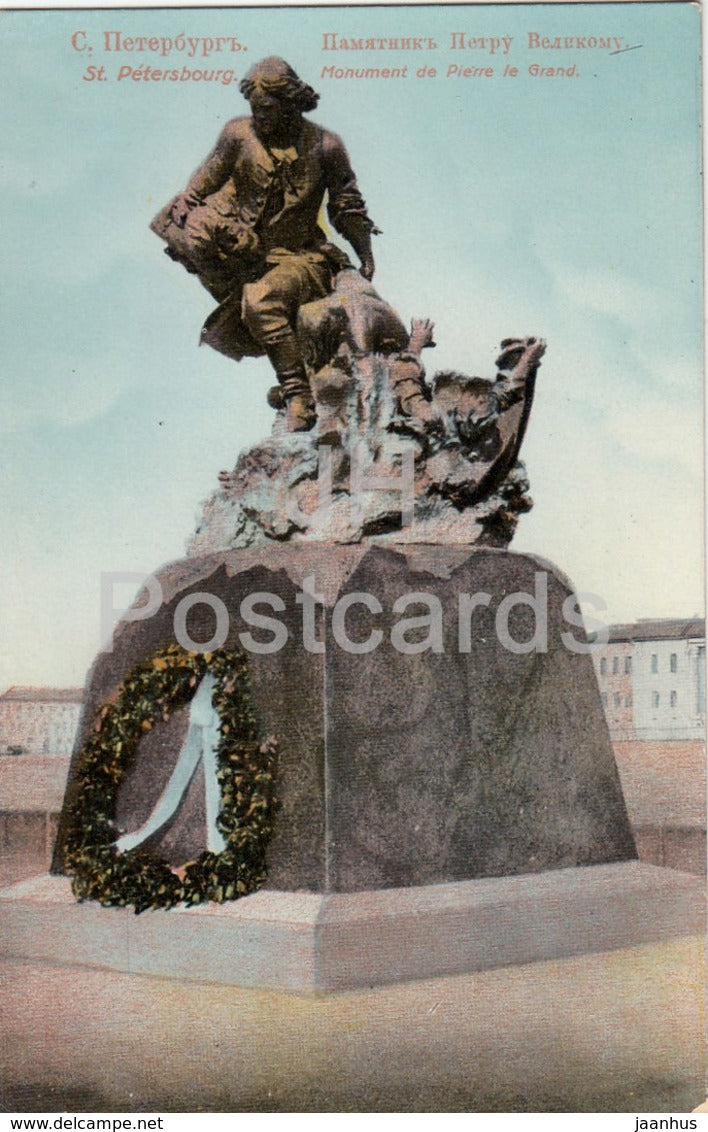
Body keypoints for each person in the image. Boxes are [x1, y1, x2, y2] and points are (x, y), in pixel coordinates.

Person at [151, 56, 379, 431]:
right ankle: (300, 375)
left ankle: (297, 395)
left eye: (269, 109)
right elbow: (201, 184)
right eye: (255, 109)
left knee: (261, 301)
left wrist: (365, 255)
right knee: (245, 298)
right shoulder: (238, 135)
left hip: (302, 258)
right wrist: (188, 221)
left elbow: (347, 207)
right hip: (243, 254)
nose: (261, 117)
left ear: (292, 103)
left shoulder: (326, 146)